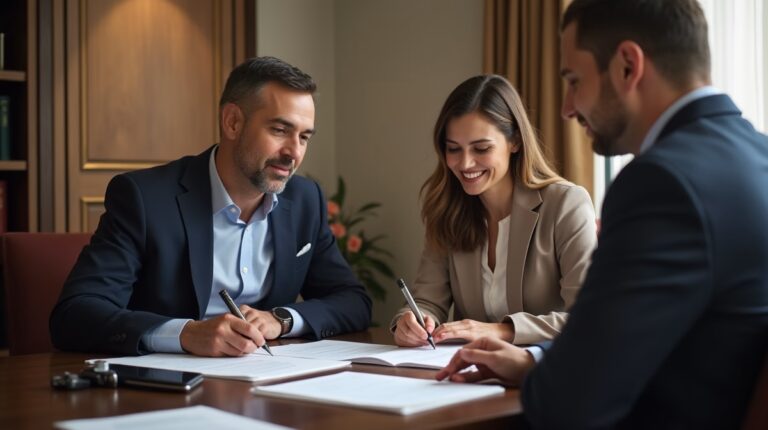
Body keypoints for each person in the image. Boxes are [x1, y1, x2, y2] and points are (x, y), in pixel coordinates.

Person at [437, 0, 768, 428]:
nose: (567, 108)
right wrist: (534, 359)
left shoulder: (660, 182)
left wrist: (540, 373)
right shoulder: (756, 155)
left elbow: (572, 402)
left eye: (574, 80)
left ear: (628, 66)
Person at [50, 56, 372, 357]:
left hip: (265, 385)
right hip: (165, 396)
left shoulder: (305, 200)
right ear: (232, 122)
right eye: (279, 130)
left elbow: (353, 301)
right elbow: (76, 313)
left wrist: (282, 319)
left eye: (304, 137)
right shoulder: (144, 198)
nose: (294, 153)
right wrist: (185, 334)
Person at [392, 75, 597, 347]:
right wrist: (412, 320)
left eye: (481, 148)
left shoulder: (566, 204)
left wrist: (501, 331)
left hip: (542, 375)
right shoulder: (446, 209)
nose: (465, 163)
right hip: (464, 376)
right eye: (453, 149)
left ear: (514, 142)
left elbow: (588, 317)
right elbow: (428, 300)